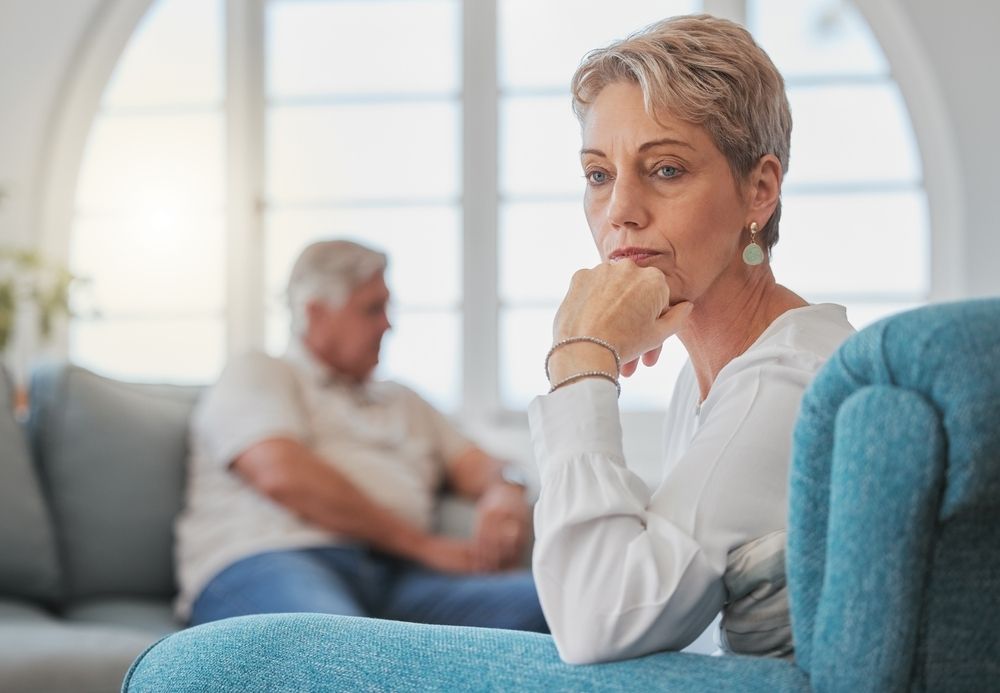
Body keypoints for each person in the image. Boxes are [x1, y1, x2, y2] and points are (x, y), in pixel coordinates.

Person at [528, 14, 855, 663]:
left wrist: (581, 358)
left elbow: (595, 623)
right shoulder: (711, 374)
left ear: (759, 189)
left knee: (277, 646)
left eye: (667, 169)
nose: (620, 209)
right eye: (598, 175)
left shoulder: (782, 384)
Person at [174, 240, 547, 633]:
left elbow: (481, 465)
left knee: (567, 612)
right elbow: (281, 474)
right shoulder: (260, 371)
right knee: (340, 648)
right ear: (315, 313)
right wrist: (423, 546)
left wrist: (507, 488)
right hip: (274, 559)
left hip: (396, 578)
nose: (389, 324)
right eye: (372, 308)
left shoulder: (403, 400)